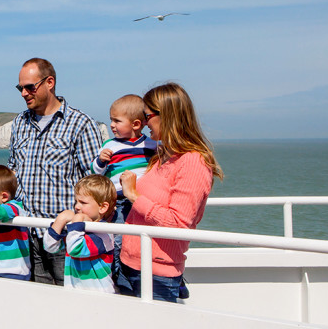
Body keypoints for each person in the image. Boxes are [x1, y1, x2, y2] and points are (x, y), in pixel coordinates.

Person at [117, 82, 224, 302]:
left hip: (155, 274)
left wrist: (134, 195)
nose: (144, 123)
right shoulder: (164, 157)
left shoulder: (192, 162)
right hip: (130, 267)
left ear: (166, 115)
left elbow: (179, 224)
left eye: (147, 116)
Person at [7, 58, 104, 285]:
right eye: (20, 88)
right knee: (40, 307)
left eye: (29, 87)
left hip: (64, 237)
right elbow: (12, 171)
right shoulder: (19, 123)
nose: (23, 93)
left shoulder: (81, 124)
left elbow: (96, 183)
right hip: (27, 236)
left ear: (49, 82)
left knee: (71, 305)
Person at [89, 94, 157, 281]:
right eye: (111, 120)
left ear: (136, 124)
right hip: (119, 202)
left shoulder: (151, 145)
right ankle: (118, 275)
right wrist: (100, 161)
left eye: (117, 121)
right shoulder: (110, 146)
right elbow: (96, 173)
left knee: (143, 240)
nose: (112, 125)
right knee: (118, 240)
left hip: (142, 200)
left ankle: (140, 274)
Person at [43, 175, 117, 293]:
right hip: (75, 293)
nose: (77, 206)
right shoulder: (76, 230)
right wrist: (60, 220)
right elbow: (49, 246)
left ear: (102, 207)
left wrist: (77, 220)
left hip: (99, 296)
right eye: (76, 201)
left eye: (83, 202)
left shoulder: (104, 233)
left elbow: (76, 249)